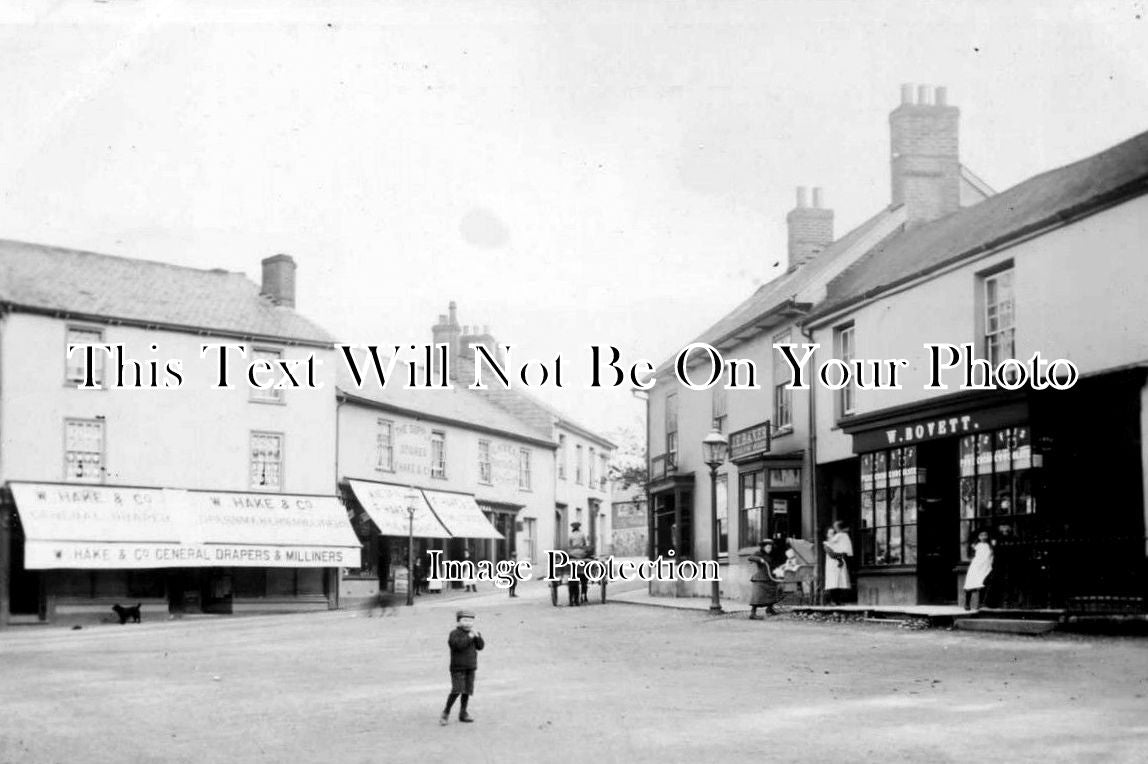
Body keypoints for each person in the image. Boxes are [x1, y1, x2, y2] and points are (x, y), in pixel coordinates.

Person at [441, 609, 484, 725]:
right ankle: (446, 712)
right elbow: (458, 646)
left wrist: (477, 637)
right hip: (457, 668)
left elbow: (480, 647)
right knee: (457, 690)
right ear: (458, 622)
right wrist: (470, 636)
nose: (468, 623)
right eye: (464, 620)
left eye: (470, 621)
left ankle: (463, 712)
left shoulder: (474, 633)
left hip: (470, 666)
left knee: (467, 690)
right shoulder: (454, 634)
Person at [747, 539, 784, 619]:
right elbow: (750, 557)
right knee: (758, 595)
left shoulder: (770, 555)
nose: (769, 549)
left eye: (770, 547)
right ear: (763, 547)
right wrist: (760, 559)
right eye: (767, 547)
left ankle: (769, 609)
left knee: (773, 592)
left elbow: (773, 565)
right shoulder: (759, 553)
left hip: (769, 577)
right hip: (760, 577)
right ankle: (752, 613)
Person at [823, 521, 854, 605]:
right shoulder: (827, 544)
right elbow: (832, 554)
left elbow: (843, 550)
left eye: (833, 533)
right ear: (827, 535)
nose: (832, 535)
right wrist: (840, 558)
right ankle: (833, 600)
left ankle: (838, 600)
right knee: (833, 582)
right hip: (832, 564)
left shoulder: (837, 542)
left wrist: (841, 556)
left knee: (840, 581)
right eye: (830, 533)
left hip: (839, 563)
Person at [964, 528, 994, 610]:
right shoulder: (975, 545)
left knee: (984, 584)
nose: (984, 537)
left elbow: (991, 556)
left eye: (985, 535)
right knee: (971, 584)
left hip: (986, 567)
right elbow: (971, 555)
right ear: (978, 536)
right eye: (981, 535)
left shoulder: (990, 545)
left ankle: (982, 603)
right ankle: (967, 603)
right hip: (976, 566)